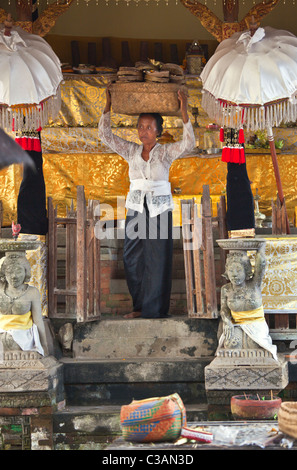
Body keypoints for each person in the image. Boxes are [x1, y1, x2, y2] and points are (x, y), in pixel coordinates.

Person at [98, 86, 195, 319]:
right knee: (131, 257)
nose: (143, 131)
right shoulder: (131, 151)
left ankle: (155, 310)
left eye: (149, 127)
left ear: (158, 132)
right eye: (141, 127)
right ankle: (139, 307)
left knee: (157, 259)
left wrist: (184, 110)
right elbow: (105, 136)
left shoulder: (165, 153)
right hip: (135, 207)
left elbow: (189, 143)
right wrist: (107, 105)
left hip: (159, 209)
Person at [218, 244, 278, 361]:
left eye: (239, 270)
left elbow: (261, 264)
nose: (234, 274)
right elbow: (224, 309)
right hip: (237, 324)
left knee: (255, 346)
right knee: (232, 345)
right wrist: (227, 321)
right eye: (231, 270)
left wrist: (260, 248)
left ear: (246, 271)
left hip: (256, 324)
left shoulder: (254, 284)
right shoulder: (226, 289)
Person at [0, 253, 49, 355]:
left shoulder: (32, 292)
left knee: (13, 343)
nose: (14, 276)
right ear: (4, 274)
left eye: (19, 271)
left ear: (26, 272)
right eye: (10, 272)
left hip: (22, 333)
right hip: (2, 331)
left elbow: (38, 321)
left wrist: (44, 345)